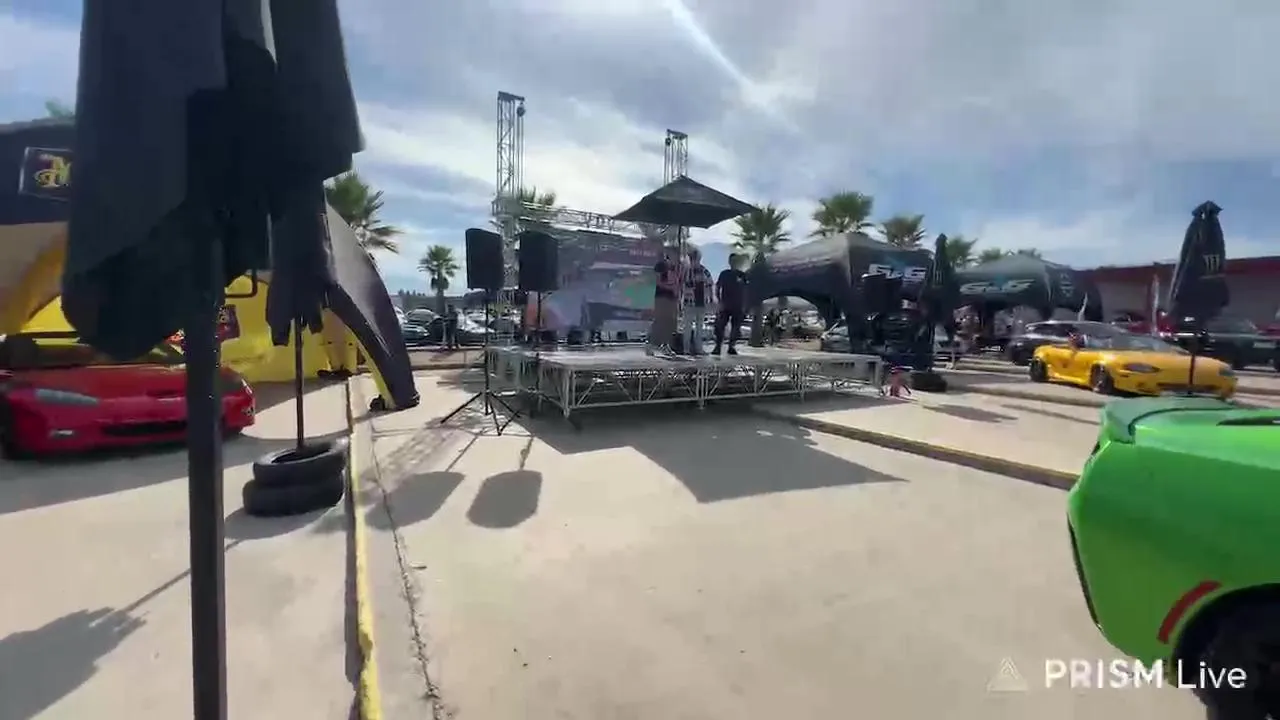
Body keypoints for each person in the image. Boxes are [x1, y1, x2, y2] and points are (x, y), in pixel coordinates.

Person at [712, 253, 749, 355]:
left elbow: (747, 290)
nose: (734, 263)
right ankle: (718, 346)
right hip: (725, 304)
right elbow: (717, 287)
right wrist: (719, 301)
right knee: (719, 325)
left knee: (736, 327)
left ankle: (731, 346)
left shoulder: (742, 275)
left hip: (738, 305)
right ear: (729, 262)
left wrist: (745, 305)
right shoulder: (724, 274)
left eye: (735, 261)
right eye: (732, 261)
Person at [647, 248, 681, 356]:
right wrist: (669, 287)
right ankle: (650, 344)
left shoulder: (675, 268)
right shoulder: (661, 265)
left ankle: (665, 345)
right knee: (659, 322)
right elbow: (657, 281)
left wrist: (676, 293)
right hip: (661, 298)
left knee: (670, 323)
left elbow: (677, 282)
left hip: (671, 298)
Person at [683, 247, 713, 355]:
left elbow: (710, 285)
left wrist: (710, 299)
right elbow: (682, 286)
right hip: (690, 302)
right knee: (688, 327)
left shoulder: (703, 271)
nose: (694, 260)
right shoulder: (687, 271)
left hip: (700, 302)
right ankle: (687, 349)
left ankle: (698, 348)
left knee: (699, 327)